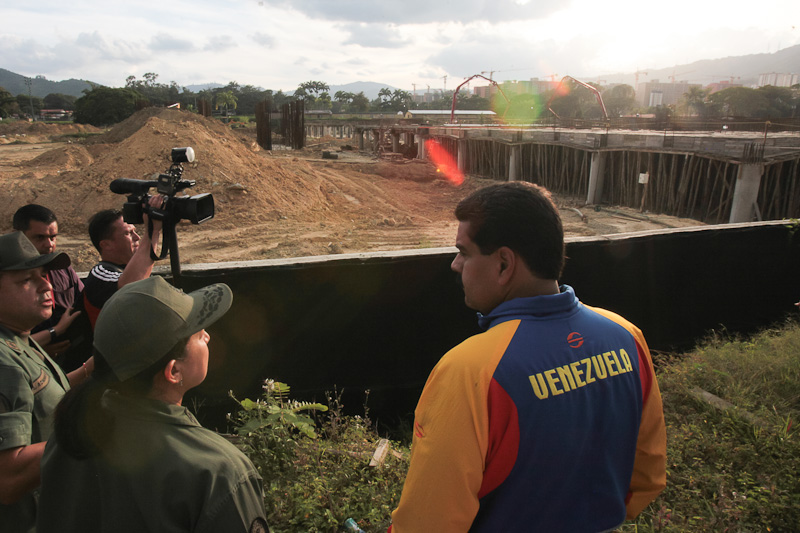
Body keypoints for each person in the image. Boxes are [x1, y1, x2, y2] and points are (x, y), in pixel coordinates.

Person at [389, 182, 667, 532]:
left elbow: (426, 524)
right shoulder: (627, 336)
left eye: (464, 251)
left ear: (504, 264)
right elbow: (649, 475)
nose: (455, 265)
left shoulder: (470, 370)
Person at [37, 276, 269, 532]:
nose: (207, 336)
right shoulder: (219, 473)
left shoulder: (69, 432)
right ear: (174, 371)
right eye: (197, 333)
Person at [0, 231, 94, 533]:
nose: (46, 285)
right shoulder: (3, 362)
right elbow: (9, 477)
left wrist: (88, 373)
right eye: (27, 280)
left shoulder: (19, 338)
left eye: (43, 275)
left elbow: (37, 396)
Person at [12, 204, 84, 362]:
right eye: (40, 237)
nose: (49, 244)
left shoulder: (62, 268)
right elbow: (10, 343)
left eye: (53, 237)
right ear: (17, 236)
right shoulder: (8, 282)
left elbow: (83, 302)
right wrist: (40, 349)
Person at [83, 199, 163, 328]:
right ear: (106, 245)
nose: (137, 237)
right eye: (128, 233)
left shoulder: (128, 270)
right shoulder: (100, 274)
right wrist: (153, 230)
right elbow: (131, 286)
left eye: (135, 231)